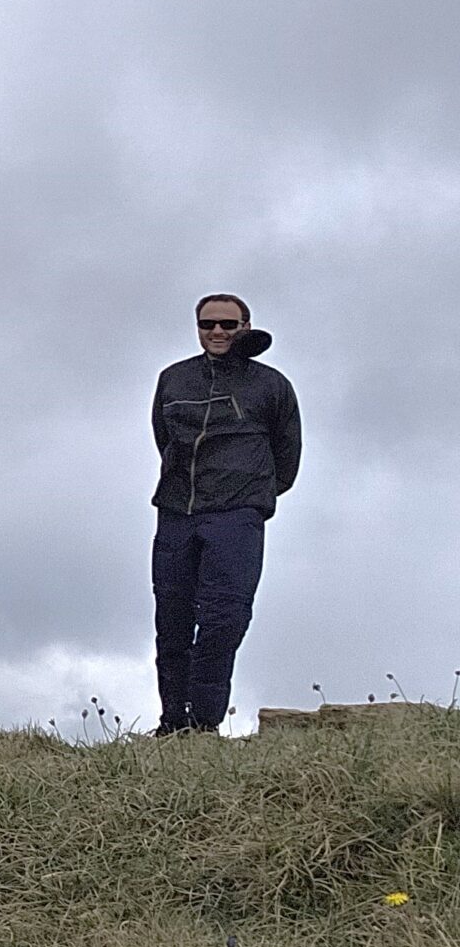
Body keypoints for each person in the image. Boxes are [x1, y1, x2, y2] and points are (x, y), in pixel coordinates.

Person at [150, 293, 301, 735]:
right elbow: (163, 439)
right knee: (172, 622)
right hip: (177, 512)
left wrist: (251, 493)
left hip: (237, 516)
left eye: (228, 324)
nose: (217, 331)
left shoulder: (271, 385)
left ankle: (203, 723)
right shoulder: (173, 380)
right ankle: (173, 725)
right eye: (208, 324)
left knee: (224, 619)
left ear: (244, 326)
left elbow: (287, 456)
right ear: (198, 328)